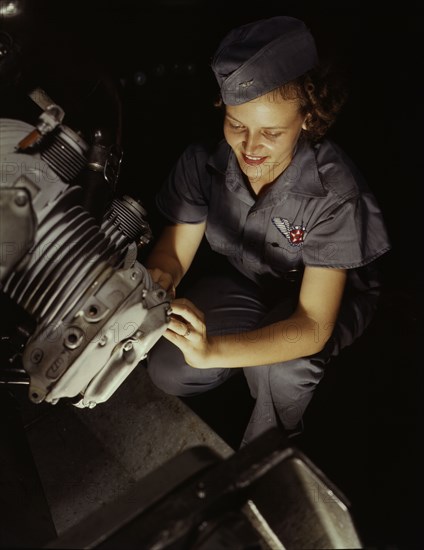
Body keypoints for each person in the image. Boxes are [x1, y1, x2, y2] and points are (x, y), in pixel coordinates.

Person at [144, 15, 391, 446]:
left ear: (309, 119)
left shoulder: (336, 194)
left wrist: (214, 350)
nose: (250, 147)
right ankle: (239, 360)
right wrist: (156, 284)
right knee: (168, 365)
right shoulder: (204, 158)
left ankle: (270, 453)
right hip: (249, 282)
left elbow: (313, 323)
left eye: (271, 133)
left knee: (280, 369)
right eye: (237, 125)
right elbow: (175, 252)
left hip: (320, 303)